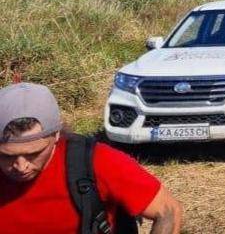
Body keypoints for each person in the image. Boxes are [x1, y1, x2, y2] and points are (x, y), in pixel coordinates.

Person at [0, 82, 183, 233]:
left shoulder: (96, 162)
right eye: (6, 156)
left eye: (34, 154)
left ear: (56, 135)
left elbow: (168, 211)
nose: (20, 166)